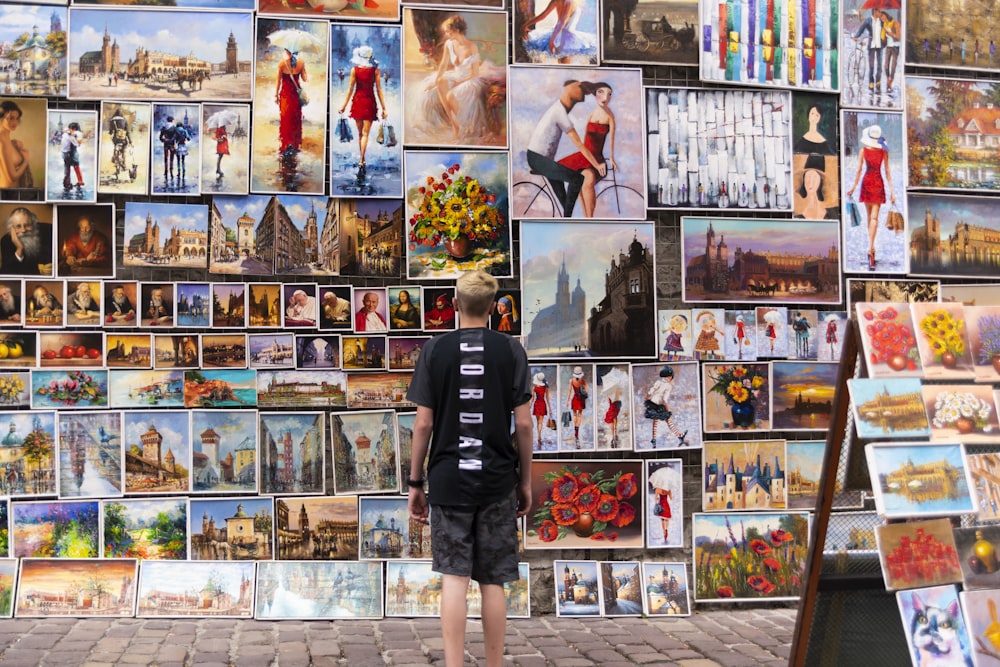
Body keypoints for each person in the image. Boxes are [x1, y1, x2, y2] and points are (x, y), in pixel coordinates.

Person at [406, 270, 532, 667]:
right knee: (494, 580)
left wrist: (415, 482)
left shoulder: (434, 351)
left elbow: (423, 424)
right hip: (497, 481)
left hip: (448, 479)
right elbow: (525, 424)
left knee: (454, 578)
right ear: (494, 308)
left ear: (455, 304)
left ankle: (454, 664)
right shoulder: (511, 350)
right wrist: (525, 481)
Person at [414, 15, 503, 143]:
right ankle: (454, 125)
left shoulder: (471, 47)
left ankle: (462, 126)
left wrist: (458, 83)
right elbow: (443, 65)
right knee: (440, 82)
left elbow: (475, 73)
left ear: (456, 30)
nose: (446, 34)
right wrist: (435, 81)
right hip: (457, 74)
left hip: (470, 78)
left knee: (450, 95)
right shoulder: (449, 44)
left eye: (447, 31)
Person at [526, 80, 605, 217]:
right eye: (579, 87)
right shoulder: (559, 112)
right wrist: (596, 164)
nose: (584, 93)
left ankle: (566, 216)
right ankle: (567, 219)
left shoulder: (559, 109)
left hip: (542, 160)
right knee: (577, 179)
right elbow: (580, 144)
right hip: (538, 159)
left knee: (564, 199)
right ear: (568, 88)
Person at [556, 82, 617, 218]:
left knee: (587, 180)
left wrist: (612, 158)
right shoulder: (591, 115)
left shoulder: (610, 117)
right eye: (601, 92)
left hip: (597, 158)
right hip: (585, 156)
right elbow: (584, 141)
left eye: (609, 94)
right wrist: (584, 156)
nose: (605, 97)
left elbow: (612, 140)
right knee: (579, 180)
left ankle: (590, 218)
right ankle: (586, 217)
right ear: (595, 94)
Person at [847, 124, 895, 270]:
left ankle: (871, 248)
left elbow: (859, 171)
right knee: (873, 218)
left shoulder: (863, 151)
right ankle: (871, 248)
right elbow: (887, 173)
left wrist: (853, 188)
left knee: (870, 218)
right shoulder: (884, 152)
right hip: (878, 183)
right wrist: (893, 192)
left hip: (867, 183)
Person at [338, 45, 387, 176]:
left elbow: (350, 90)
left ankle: (362, 159)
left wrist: (343, 106)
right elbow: (379, 90)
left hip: (358, 102)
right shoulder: (376, 71)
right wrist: (384, 108)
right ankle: (361, 160)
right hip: (370, 102)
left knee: (360, 134)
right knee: (366, 134)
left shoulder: (354, 70)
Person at [521, 0, 598, 64]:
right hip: (564, 36)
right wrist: (526, 25)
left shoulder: (565, 2)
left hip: (563, 35)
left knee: (563, 62)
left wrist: (525, 25)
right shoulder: (566, 2)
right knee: (564, 62)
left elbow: (555, 20)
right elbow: (559, 21)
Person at [644, 365, 687, 447]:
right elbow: (664, 399)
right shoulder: (668, 386)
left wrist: (647, 396)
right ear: (670, 377)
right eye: (672, 377)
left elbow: (652, 390)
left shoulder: (658, 382)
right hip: (660, 405)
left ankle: (653, 439)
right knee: (669, 421)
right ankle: (679, 435)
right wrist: (667, 409)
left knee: (655, 422)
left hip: (652, 403)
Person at [1, 207, 52, 276]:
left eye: (27, 225)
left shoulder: (47, 231)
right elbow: (7, 272)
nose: (23, 230)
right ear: (12, 228)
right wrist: (19, 249)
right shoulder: (6, 241)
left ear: (34, 224)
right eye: (18, 226)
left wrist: (53, 268)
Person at [275, 48, 308, 155]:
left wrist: (276, 95)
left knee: (285, 119)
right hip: (295, 96)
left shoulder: (281, 63)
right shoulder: (301, 63)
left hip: (285, 95)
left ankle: (286, 144)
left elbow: (278, 81)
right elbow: (305, 79)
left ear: (287, 51)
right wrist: (303, 69)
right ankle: (294, 144)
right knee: (295, 118)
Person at [0, 100, 31, 188]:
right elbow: (12, 177)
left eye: (17, 118)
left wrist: (14, 145)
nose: (15, 122)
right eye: (11, 118)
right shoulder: (2, 142)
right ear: (1, 119)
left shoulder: (7, 140)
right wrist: (26, 161)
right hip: (7, 194)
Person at [853, 9, 885, 92]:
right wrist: (856, 36)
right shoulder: (868, 20)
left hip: (880, 45)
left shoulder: (881, 21)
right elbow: (861, 28)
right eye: (879, 11)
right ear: (875, 12)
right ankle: (871, 81)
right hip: (872, 45)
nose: (880, 13)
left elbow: (885, 30)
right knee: (871, 65)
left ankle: (878, 81)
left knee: (880, 65)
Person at [796, 153, 831, 220]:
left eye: (814, 177)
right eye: (808, 177)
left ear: (820, 181)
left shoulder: (828, 210)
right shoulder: (798, 209)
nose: (810, 182)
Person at [565, 365, 588, 447]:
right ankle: (577, 429)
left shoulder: (571, 381)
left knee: (574, 414)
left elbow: (569, 391)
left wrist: (567, 401)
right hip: (581, 399)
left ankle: (575, 428)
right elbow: (587, 392)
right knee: (580, 414)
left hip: (574, 398)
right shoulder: (583, 381)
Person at [530, 371, 552, 448]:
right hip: (543, 404)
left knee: (537, 422)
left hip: (536, 404)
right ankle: (539, 435)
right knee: (540, 422)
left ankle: (538, 436)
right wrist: (550, 408)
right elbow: (547, 398)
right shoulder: (545, 388)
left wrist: (530, 406)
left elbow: (532, 398)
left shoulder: (534, 387)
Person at [60, 122, 84, 191]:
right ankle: (68, 183)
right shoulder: (69, 135)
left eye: (71, 129)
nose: (69, 130)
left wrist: (75, 137)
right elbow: (77, 144)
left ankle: (76, 182)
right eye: (69, 129)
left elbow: (78, 142)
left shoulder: (73, 134)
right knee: (70, 167)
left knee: (72, 167)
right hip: (68, 152)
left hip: (70, 152)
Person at [108, 107, 131, 179]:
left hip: (116, 140)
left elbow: (111, 131)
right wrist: (130, 141)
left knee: (116, 153)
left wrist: (112, 131)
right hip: (124, 140)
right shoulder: (124, 120)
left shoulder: (112, 120)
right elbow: (127, 132)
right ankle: (124, 164)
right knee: (123, 152)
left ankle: (118, 170)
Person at [881, 11, 901, 91]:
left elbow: (898, 37)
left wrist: (889, 33)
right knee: (886, 65)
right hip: (888, 47)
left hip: (895, 47)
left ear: (886, 15)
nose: (882, 19)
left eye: (883, 17)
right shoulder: (884, 26)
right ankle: (888, 79)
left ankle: (890, 82)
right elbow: (884, 39)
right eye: (881, 18)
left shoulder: (895, 24)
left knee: (893, 66)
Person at [159, 116, 176, 181]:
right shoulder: (174, 128)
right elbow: (176, 136)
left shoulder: (164, 128)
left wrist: (164, 140)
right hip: (172, 144)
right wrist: (172, 140)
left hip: (165, 144)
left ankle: (165, 171)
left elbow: (160, 137)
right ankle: (171, 171)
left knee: (166, 158)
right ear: (172, 120)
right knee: (171, 158)